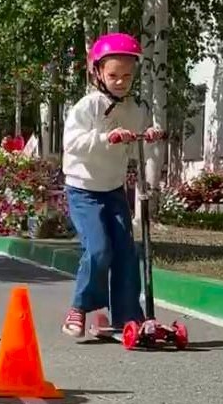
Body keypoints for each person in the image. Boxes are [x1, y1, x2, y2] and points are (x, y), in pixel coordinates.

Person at [60, 32, 163, 339]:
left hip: (113, 189)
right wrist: (107, 137)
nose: (121, 82)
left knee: (126, 252)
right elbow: (72, 143)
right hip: (83, 189)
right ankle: (79, 307)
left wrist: (151, 134)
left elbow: (140, 136)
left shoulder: (135, 108)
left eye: (127, 76)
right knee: (99, 249)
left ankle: (128, 316)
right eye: (114, 75)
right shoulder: (88, 106)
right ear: (98, 73)